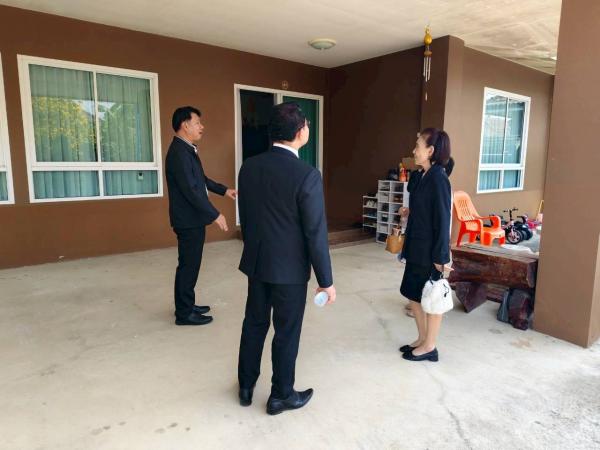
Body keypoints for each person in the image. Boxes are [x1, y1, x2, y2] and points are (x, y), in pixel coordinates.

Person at [236, 102, 336, 415]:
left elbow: (247, 217)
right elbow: (315, 233)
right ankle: (281, 395)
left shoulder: (249, 167)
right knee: (286, 331)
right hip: (290, 270)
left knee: (254, 323)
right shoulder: (307, 175)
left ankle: (246, 385)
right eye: (306, 124)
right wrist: (326, 281)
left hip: (257, 262)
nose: (308, 128)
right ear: (299, 132)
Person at [165, 106, 237, 326]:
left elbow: (201, 180)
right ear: (185, 125)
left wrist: (224, 190)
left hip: (191, 219)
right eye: (197, 123)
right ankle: (184, 314)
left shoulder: (186, 149)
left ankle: (187, 304)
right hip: (188, 220)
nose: (202, 127)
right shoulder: (179, 153)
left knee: (190, 265)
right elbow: (191, 190)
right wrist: (215, 214)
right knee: (188, 266)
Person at [398, 128, 453, 362]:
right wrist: (410, 212)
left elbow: (442, 220)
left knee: (432, 297)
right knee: (413, 293)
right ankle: (422, 338)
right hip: (416, 247)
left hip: (430, 252)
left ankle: (430, 346)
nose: (414, 150)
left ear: (430, 151)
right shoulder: (422, 175)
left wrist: (441, 257)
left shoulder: (439, 179)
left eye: (418, 146)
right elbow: (425, 209)